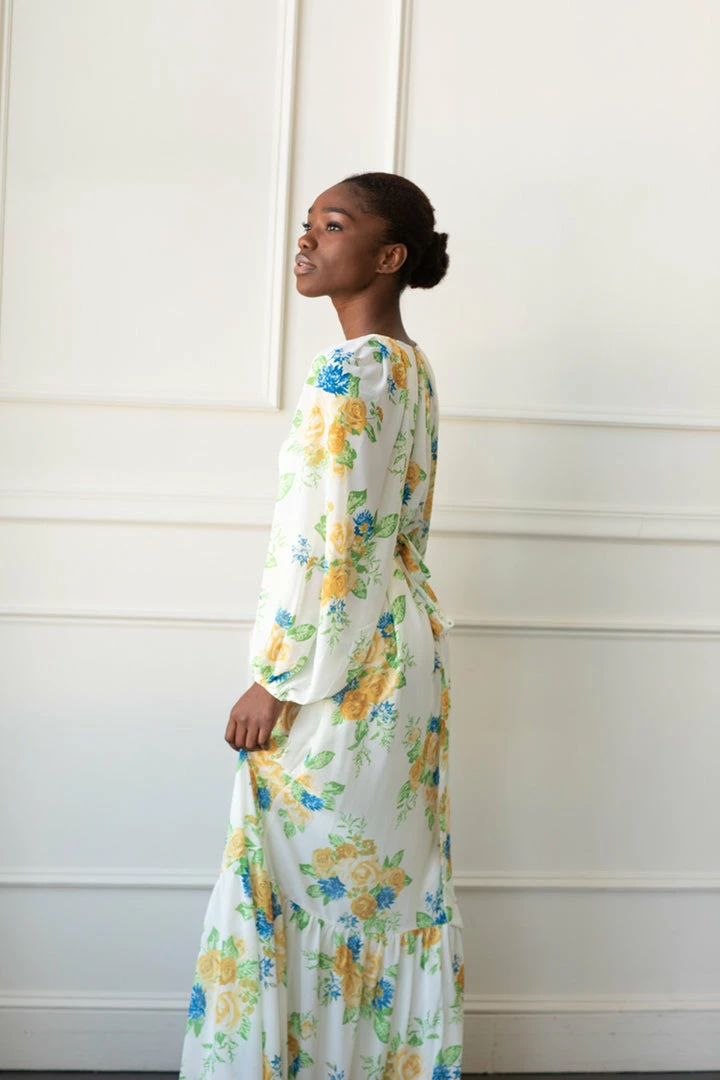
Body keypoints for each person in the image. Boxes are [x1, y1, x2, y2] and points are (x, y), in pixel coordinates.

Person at [179, 172, 464, 1080]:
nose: (306, 240)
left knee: (300, 885)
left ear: (389, 256)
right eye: (308, 224)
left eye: (333, 226)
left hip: (342, 668)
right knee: (378, 896)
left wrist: (275, 677)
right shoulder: (410, 367)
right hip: (405, 654)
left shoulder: (350, 370)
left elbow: (326, 545)